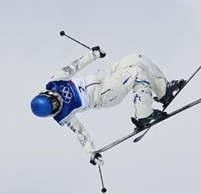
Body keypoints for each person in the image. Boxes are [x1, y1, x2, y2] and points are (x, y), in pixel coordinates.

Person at [30, 47, 184, 166]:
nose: (58, 104)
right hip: (105, 95)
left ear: (48, 94)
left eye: (55, 101)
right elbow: (80, 133)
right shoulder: (63, 115)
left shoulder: (55, 82)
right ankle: (144, 114)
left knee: (136, 59)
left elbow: (73, 67)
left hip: (105, 80)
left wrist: (93, 55)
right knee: (136, 73)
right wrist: (91, 153)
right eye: (54, 108)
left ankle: (164, 92)